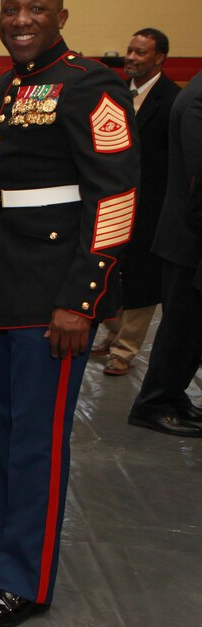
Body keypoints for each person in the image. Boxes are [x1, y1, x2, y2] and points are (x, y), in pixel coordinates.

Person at [0, 0, 138, 627]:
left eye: (35, 8)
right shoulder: (6, 88)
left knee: (38, 442)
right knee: (2, 432)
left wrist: (82, 300)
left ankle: (26, 581)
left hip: (53, 299)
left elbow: (115, 199)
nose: (21, 19)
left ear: (61, 16)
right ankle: (2, 546)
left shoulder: (92, 85)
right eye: (10, 9)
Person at [92, 29, 180, 376]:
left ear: (159, 59)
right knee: (109, 270)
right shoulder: (115, 92)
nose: (131, 57)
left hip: (150, 206)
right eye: (130, 50)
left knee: (142, 279)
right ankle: (112, 333)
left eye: (141, 53)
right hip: (113, 200)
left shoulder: (171, 100)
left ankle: (124, 351)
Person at [126, 71, 202, 435]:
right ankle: (154, 403)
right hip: (189, 235)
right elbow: (198, 175)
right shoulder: (198, 98)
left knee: (191, 328)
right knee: (180, 327)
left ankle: (172, 396)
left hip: (188, 232)